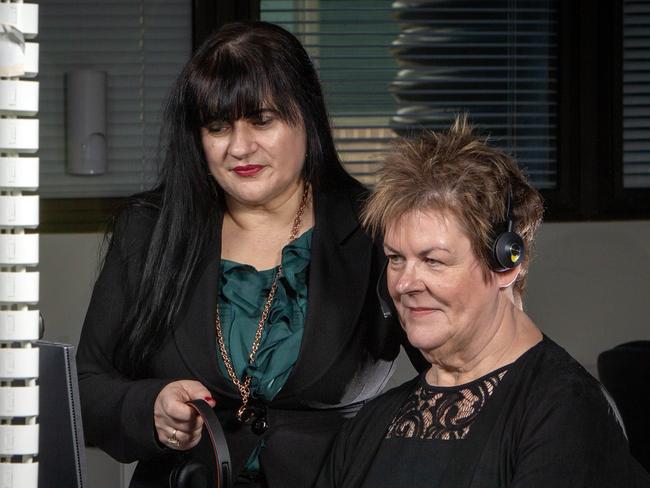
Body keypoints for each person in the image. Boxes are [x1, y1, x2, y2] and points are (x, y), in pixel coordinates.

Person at [76, 21, 423, 488]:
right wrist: (149, 408)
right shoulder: (148, 230)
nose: (239, 148)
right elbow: (85, 387)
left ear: (307, 116)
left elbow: (458, 371)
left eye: (262, 120)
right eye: (217, 127)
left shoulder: (377, 227)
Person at [314, 118, 650, 488]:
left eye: (433, 260)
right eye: (396, 258)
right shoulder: (372, 425)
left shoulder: (568, 413)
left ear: (506, 263)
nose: (405, 283)